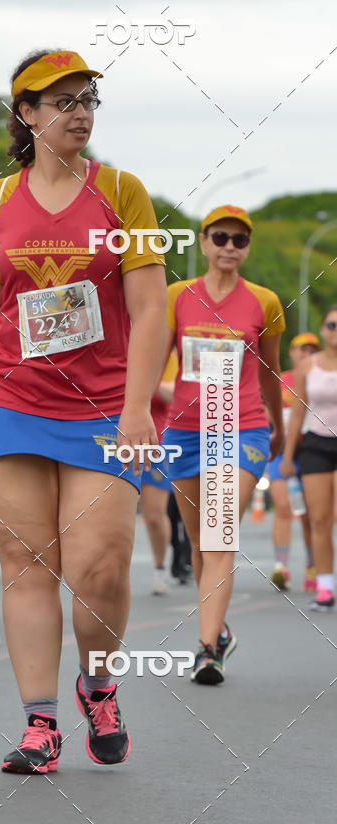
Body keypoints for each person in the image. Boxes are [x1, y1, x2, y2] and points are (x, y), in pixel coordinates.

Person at [0, 49, 167, 772]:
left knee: (99, 567)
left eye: (88, 99)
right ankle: (41, 725)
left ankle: (98, 684)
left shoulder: (123, 191)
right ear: (26, 114)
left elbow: (151, 306)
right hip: (9, 402)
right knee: (26, 565)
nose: (79, 113)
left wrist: (135, 409)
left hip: (101, 409)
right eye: (61, 101)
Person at [161, 205, 285, 684]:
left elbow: (270, 372)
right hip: (186, 433)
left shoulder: (265, 302)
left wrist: (275, 422)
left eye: (239, 240)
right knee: (200, 544)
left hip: (241, 429)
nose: (230, 247)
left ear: (247, 247)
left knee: (219, 534)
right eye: (221, 238)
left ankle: (207, 650)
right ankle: (220, 630)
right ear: (204, 242)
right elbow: (155, 360)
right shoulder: (176, 296)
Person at [281, 307, 337, 611]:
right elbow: (298, 412)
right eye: (331, 325)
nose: (335, 331)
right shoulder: (308, 367)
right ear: (323, 329)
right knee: (318, 519)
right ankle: (325, 587)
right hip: (314, 444)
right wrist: (288, 456)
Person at [266, 333, 319, 591]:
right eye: (302, 348)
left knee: (310, 513)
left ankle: (312, 566)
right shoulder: (281, 379)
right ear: (292, 351)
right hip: (281, 451)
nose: (306, 353)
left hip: (309, 451)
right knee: (283, 507)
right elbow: (267, 409)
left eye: (312, 349)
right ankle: (281, 567)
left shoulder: (321, 380)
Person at [141, 352, 178, 595]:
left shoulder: (166, 350)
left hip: (156, 441)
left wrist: (143, 380)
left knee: (154, 515)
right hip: (112, 438)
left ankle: (160, 569)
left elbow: (175, 395)